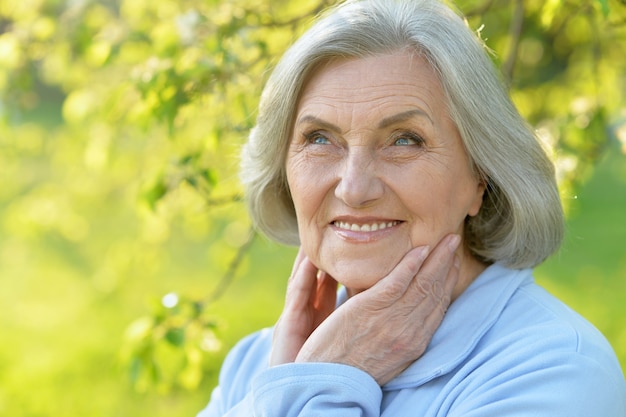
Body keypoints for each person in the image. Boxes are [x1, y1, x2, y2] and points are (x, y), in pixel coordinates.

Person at [198, 0, 626, 415]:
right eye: (319, 139)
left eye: (404, 139)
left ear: (481, 175)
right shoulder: (257, 362)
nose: (354, 188)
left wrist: (324, 380)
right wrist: (314, 371)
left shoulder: (555, 371)